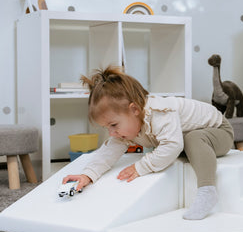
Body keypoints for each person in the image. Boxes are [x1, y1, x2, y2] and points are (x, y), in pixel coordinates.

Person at [62, 65, 234, 220]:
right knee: (172, 147)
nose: (111, 132)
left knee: (191, 139)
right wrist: (88, 175)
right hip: (188, 137)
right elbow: (108, 153)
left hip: (219, 132)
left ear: (135, 109)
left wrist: (142, 166)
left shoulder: (160, 112)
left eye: (113, 125)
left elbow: (173, 145)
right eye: (106, 127)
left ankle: (207, 190)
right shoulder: (126, 125)